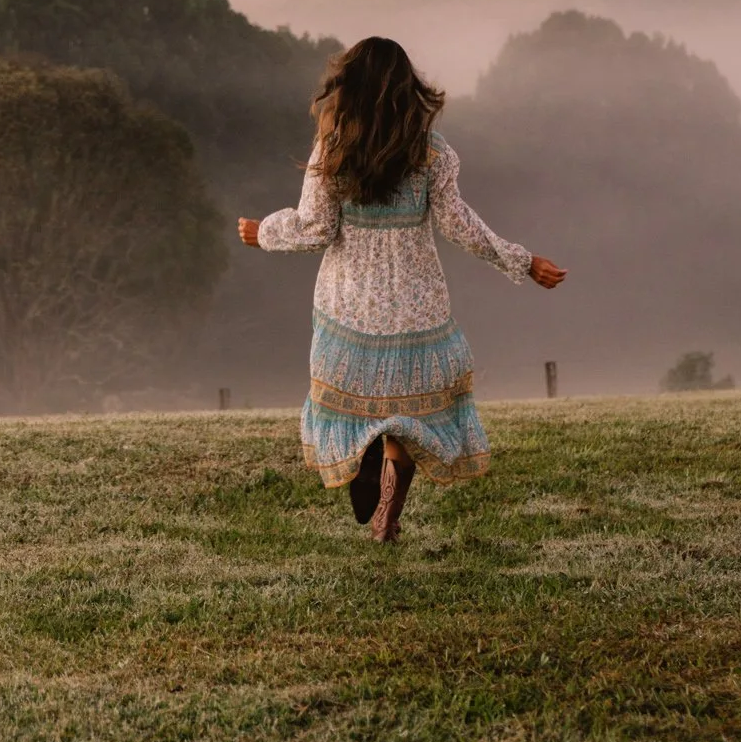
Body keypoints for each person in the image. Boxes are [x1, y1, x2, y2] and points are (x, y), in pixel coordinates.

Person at [238, 36, 565, 544]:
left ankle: (368, 454)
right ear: (405, 88)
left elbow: (315, 228)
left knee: (362, 407)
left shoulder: (334, 147)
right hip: (415, 309)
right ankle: (386, 518)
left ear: (351, 86)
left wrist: (264, 232)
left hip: (348, 305)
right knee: (406, 420)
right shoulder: (432, 153)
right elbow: (461, 227)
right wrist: (522, 261)